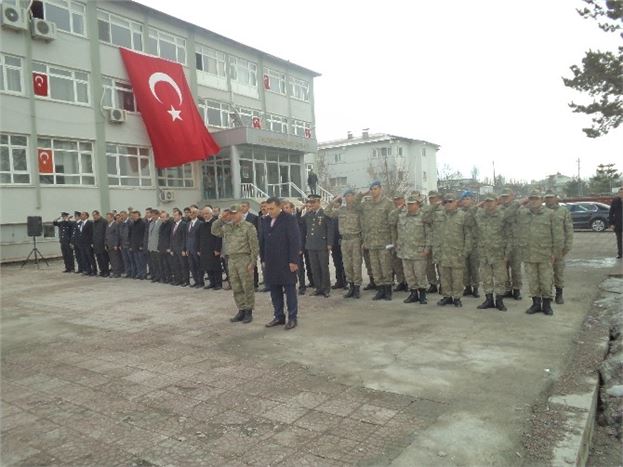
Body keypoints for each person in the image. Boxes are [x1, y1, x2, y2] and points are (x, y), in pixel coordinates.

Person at [518, 190, 563, 316]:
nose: (533, 201)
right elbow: (508, 213)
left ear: (542, 200)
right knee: (532, 281)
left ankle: (547, 305)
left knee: (546, 280)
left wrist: (555, 253)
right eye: (531, 199)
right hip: (528, 253)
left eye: (536, 198)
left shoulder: (551, 214)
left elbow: (558, 235)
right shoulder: (523, 214)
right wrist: (521, 202)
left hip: (545, 254)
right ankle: (536, 304)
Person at [211, 205, 259, 324]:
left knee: (246, 286)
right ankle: (241, 309)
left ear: (241, 213)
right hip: (231, 259)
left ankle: (248, 311)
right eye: (230, 214)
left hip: (244, 259)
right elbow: (214, 230)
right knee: (236, 286)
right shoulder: (227, 227)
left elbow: (254, 246)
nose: (232, 216)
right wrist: (221, 218)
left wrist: (253, 262)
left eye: (234, 213)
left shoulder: (248, 227)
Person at [262, 198, 301, 330]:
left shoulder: (289, 219)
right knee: (274, 291)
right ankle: (279, 316)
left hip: (286, 261)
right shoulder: (266, 220)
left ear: (280, 207)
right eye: (267, 209)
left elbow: (295, 240)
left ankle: (292, 318)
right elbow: (264, 241)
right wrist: (263, 259)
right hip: (271, 262)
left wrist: (293, 261)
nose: (269, 211)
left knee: (289, 291)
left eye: (271, 209)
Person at [356, 181, 395, 300]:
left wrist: (393, 242)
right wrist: (362, 194)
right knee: (375, 268)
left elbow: (392, 223)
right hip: (371, 242)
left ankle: (388, 291)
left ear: (381, 189)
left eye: (376, 189)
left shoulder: (388, 203)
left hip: (385, 242)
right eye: (372, 189)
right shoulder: (367, 204)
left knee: (386, 267)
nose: (373, 191)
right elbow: (354, 206)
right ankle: (380, 290)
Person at [475, 194, 510, 311]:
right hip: (484, 253)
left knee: (500, 278)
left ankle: (499, 300)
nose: (488, 204)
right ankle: (488, 299)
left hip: (498, 253)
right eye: (486, 201)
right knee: (486, 278)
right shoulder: (480, 215)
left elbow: (510, 235)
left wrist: (507, 253)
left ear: (496, 202)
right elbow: (469, 216)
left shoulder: (503, 216)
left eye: (491, 201)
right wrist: (478, 205)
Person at [326, 189, 363, 298]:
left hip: (355, 239)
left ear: (354, 197)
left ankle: (357, 287)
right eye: (346, 196)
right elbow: (327, 212)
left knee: (356, 264)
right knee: (347, 265)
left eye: (350, 196)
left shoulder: (358, 209)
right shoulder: (341, 210)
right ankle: (351, 286)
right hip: (344, 240)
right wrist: (335, 200)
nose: (348, 198)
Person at [436, 194, 471, 307]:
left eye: (450, 201)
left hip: (457, 253)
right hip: (443, 253)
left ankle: (457, 298)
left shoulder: (463, 216)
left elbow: (468, 235)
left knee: (457, 278)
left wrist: (465, 251)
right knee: (444, 277)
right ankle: (447, 297)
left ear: (456, 202)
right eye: (445, 202)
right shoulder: (439, 216)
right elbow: (427, 220)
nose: (448, 204)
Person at [395, 195, 430, 304]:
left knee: (420, 274)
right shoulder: (402, 216)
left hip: (419, 251)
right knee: (409, 275)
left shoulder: (423, 217)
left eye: (412, 204)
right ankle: (413, 293)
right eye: (408, 204)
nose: (410, 206)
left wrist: (427, 248)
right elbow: (393, 222)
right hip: (405, 251)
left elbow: (429, 234)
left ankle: (423, 294)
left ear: (418, 205)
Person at [544, 191, 574, 304]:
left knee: (559, 272)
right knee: (545, 274)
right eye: (547, 198)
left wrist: (567, 246)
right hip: (544, 248)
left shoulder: (563, 211)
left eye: (551, 198)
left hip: (559, 248)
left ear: (556, 198)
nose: (549, 200)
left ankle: (559, 294)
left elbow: (569, 230)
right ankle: (547, 295)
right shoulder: (541, 212)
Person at [303, 194, 334, 297]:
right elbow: (299, 221)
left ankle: (326, 289)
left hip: (322, 244)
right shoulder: (308, 214)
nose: (311, 204)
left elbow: (330, 229)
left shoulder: (324, 213)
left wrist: (329, 243)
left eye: (314, 202)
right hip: (311, 245)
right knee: (314, 268)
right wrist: (302, 209)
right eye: (310, 202)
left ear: (319, 202)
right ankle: (318, 287)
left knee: (323, 267)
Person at [499, 188, 523, 300]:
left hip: (516, 242)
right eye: (503, 197)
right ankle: (507, 289)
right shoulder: (499, 210)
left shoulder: (520, 209)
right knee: (503, 268)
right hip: (503, 243)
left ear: (512, 196)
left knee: (516, 268)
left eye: (507, 196)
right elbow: (504, 216)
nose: (505, 199)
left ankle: (517, 290)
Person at [423, 191, 444, 293]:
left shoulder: (443, 210)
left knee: (440, 265)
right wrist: (432, 208)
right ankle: (432, 284)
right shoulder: (426, 210)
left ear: (438, 198)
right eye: (430, 198)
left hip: (439, 241)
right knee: (428, 265)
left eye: (434, 198)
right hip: (428, 241)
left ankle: (443, 284)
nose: (432, 200)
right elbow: (424, 219)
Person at [460, 192, 480, 298]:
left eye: (468, 199)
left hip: (474, 243)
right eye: (463, 199)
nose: (465, 201)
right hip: (462, 243)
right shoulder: (460, 212)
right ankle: (467, 287)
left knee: (474, 267)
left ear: (472, 200)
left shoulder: (478, 211)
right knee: (464, 268)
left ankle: (475, 288)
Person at [198, 206, 223, 290]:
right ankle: (212, 283)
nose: (205, 215)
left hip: (213, 249)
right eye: (204, 214)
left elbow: (219, 237)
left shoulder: (215, 223)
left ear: (211, 213)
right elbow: (200, 238)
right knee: (208, 266)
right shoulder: (202, 224)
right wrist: (199, 249)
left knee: (216, 267)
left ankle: (218, 283)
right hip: (205, 249)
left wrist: (217, 249)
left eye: (207, 213)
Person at [389, 194, 407, 292]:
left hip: (405, 241)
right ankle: (401, 282)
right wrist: (397, 210)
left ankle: (408, 282)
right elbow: (391, 221)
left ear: (404, 200)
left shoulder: (408, 210)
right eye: (395, 199)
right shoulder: (394, 212)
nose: (397, 201)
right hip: (394, 241)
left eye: (399, 199)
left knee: (406, 263)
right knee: (396, 263)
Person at [240, 201, 260, 289]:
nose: (242, 208)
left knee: (252, 264)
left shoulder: (254, 217)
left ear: (248, 207)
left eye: (244, 206)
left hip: (251, 243)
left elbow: (257, 230)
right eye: (241, 206)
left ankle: (255, 283)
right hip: (241, 245)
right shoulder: (238, 218)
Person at [170, 208, 188, 286]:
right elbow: (171, 237)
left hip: (181, 249)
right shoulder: (173, 224)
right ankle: (178, 280)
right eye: (173, 215)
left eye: (176, 215)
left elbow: (184, 238)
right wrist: (171, 248)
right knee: (176, 265)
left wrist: (184, 249)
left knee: (183, 265)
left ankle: (186, 281)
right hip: (174, 248)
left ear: (180, 216)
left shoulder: (183, 224)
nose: (174, 217)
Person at [186, 207, 204, 288]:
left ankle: (201, 282)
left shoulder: (200, 223)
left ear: (196, 214)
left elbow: (201, 237)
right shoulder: (188, 224)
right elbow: (187, 237)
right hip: (189, 248)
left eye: (193, 212)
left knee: (199, 266)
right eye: (190, 213)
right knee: (192, 266)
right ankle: (196, 281)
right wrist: (186, 248)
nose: (191, 214)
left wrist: (200, 249)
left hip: (196, 248)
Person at [76, 211, 96, 276]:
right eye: (81, 215)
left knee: (90, 257)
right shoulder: (81, 223)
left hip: (88, 243)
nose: (81, 216)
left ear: (87, 216)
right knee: (84, 257)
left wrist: (91, 243)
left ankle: (94, 270)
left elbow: (91, 233)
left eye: (83, 215)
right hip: (82, 244)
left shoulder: (90, 223)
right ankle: (88, 270)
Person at [128, 210, 146, 279]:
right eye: (133, 216)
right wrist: (130, 245)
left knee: (142, 261)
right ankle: (139, 273)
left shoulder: (142, 223)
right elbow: (130, 235)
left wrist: (142, 245)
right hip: (134, 245)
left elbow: (144, 235)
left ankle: (143, 274)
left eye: (136, 216)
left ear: (139, 216)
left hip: (140, 246)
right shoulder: (132, 224)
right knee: (137, 261)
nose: (134, 217)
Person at [105, 212, 123, 278]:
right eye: (107, 217)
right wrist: (105, 243)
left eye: (109, 217)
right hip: (108, 245)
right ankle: (114, 271)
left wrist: (116, 244)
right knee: (111, 259)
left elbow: (117, 235)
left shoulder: (115, 224)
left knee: (116, 259)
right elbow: (106, 235)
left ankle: (117, 272)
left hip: (114, 245)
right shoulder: (107, 225)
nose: (107, 219)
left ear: (112, 218)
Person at [92, 210, 110, 277]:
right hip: (96, 244)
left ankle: (106, 271)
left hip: (102, 244)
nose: (94, 217)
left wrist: (106, 243)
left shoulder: (104, 221)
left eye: (95, 215)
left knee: (104, 259)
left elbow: (106, 233)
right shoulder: (94, 223)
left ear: (98, 214)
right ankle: (102, 271)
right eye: (93, 216)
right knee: (99, 258)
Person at [157, 211, 173, 283]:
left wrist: (169, 247)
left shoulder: (170, 225)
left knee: (168, 264)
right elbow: (160, 237)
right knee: (162, 264)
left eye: (163, 217)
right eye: (161, 217)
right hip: (161, 247)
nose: (162, 218)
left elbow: (171, 237)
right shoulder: (161, 225)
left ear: (167, 217)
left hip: (167, 248)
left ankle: (169, 278)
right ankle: (163, 278)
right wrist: (158, 247)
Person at [147, 209, 162, 283]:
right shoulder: (151, 223)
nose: (151, 216)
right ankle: (156, 276)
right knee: (154, 263)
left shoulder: (161, 222)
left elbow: (161, 236)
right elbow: (149, 235)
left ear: (157, 215)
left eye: (152, 215)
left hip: (158, 247)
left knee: (159, 263)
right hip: (151, 247)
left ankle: (161, 276)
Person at [609, 186, 623, 259]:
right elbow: (611, 213)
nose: (621, 194)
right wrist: (611, 223)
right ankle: (620, 254)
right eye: (620, 192)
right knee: (619, 240)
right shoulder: (615, 201)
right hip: (618, 224)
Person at [118, 211, 132, 278]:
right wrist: (120, 244)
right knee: (125, 260)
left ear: (126, 215)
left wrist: (130, 243)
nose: (122, 217)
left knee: (131, 260)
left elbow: (131, 234)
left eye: (123, 215)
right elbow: (120, 235)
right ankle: (128, 272)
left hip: (128, 244)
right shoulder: (120, 223)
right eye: (121, 215)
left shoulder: (130, 223)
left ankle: (133, 272)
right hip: (122, 245)